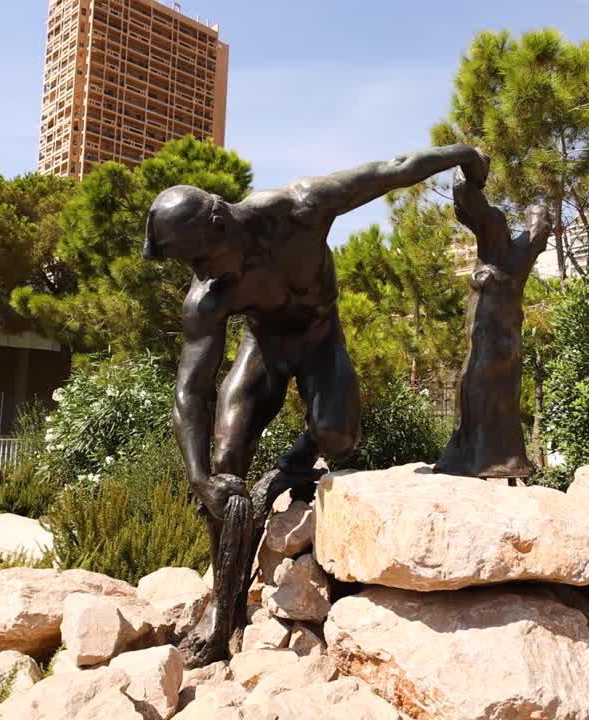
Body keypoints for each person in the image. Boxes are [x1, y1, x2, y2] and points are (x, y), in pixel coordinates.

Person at [144, 144, 489, 665]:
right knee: (224, 460)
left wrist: (465, 155)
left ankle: (289, 469)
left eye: (198, 255)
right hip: (265, 348)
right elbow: (190, 391)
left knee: (337, 436)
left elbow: (390, 169)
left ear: (221, 221)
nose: (198, 270)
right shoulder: (210, 294)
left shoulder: (300, 208)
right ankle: (225, 609)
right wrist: (199, 479)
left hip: (321, 339)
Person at [434, 166, 550, 480]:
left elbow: (467, 201)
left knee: (476, 396)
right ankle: (506, 462)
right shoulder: (521, 255)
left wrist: (465, 164)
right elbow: (539, 230)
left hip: (488, 345)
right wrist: (537, 208)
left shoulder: (497, 252)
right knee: (496, 401)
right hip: (505, 344)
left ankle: (479, 462)